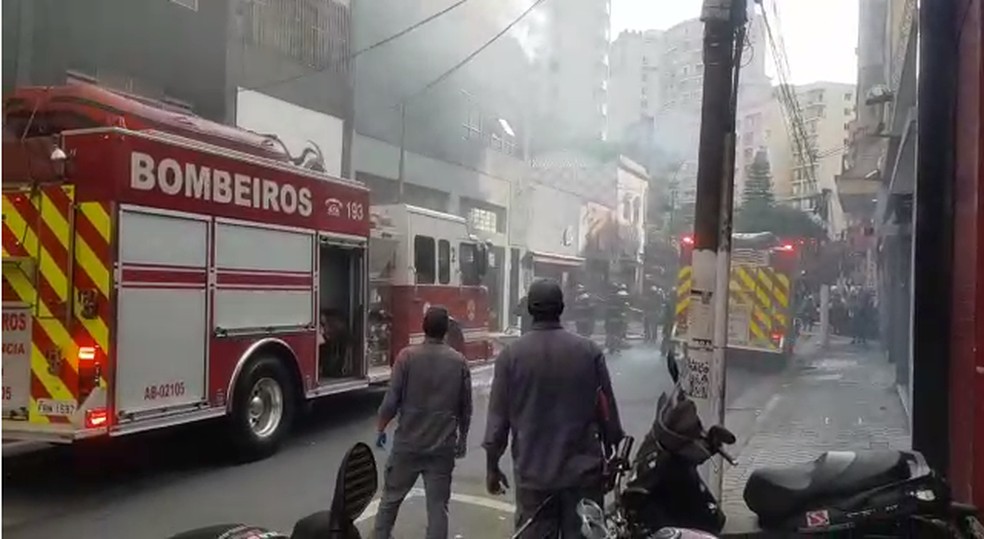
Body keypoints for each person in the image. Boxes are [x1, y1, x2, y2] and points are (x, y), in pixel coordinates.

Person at [483, 279, 624, 537]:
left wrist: (492, 467)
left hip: (534, 477)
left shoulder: (511, 357)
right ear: (561, 308)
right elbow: (607, 413)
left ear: (529, 310)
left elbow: (497, 421)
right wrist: (612, 452)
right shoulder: (589, 351)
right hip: (583, 477)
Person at [373, 306, 473, 539]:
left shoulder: (406, 357)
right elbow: (465, 408)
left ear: (423, 327)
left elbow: (391, 402)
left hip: (408, 445)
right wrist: (463, 439)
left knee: (390, 501)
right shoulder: (458, 362)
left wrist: (381, 428)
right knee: (438, 508)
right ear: (446, 331)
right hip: (441, 448)